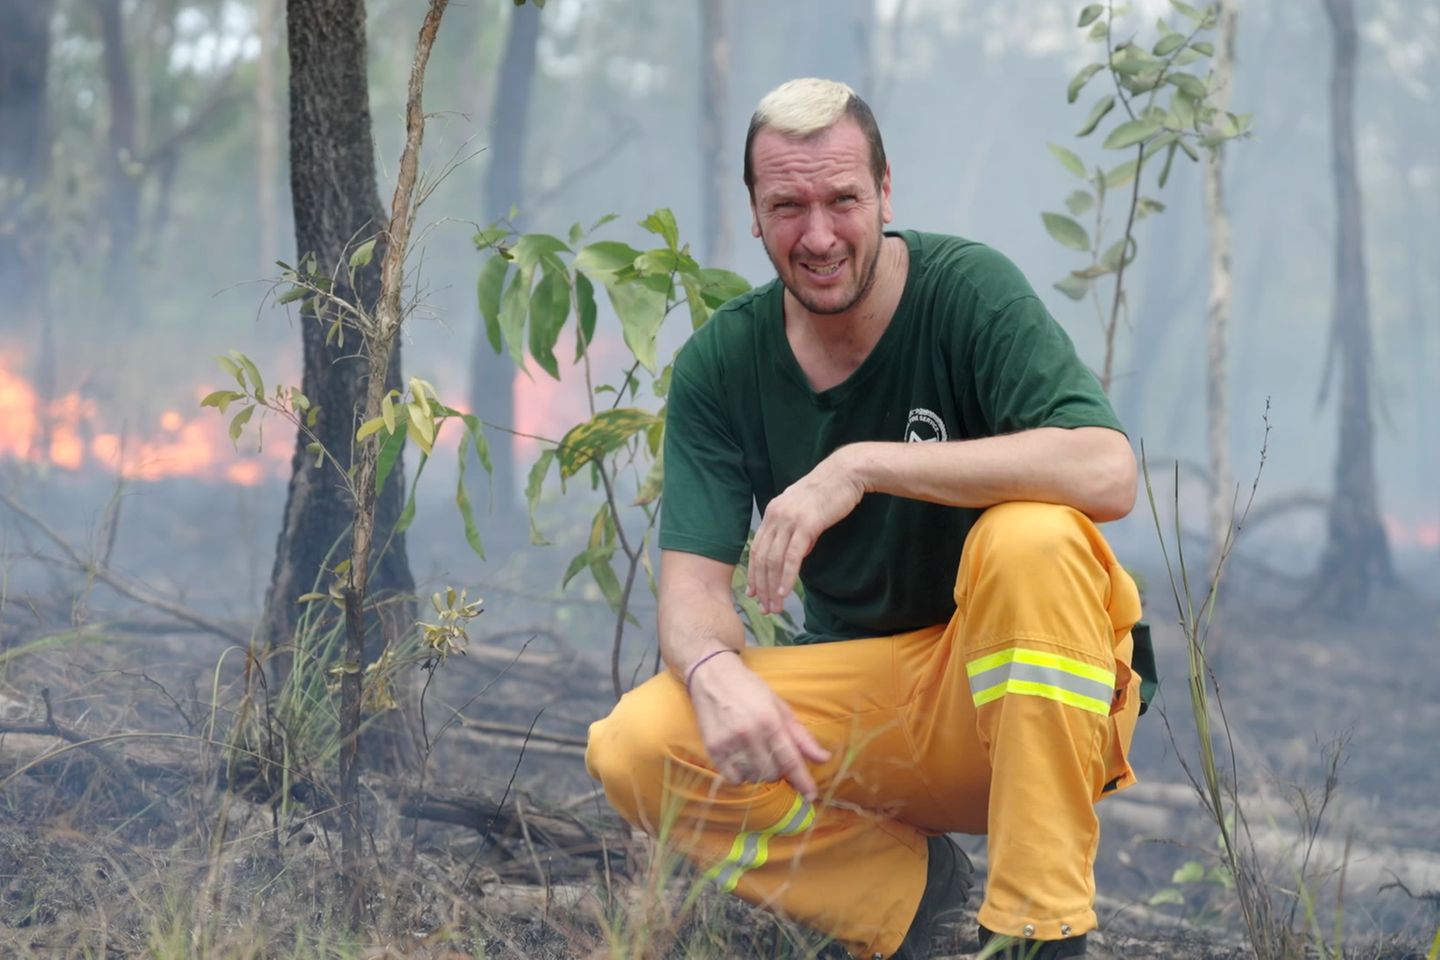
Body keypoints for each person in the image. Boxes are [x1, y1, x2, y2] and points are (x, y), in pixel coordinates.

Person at [585, 78, 1144, 960]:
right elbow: (692, 594)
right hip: (865, 712)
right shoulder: (722, 364)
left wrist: (862, 465)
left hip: (1029, 701)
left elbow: (1107, 469)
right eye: (788, 206)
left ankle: (1038, 931)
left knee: (1030, 537)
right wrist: (712, 668)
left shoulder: (967, 291)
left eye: (843, 199)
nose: (818, 236)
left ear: (886, 191)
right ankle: (907, 895)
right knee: (637, 744)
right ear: (755, 213)